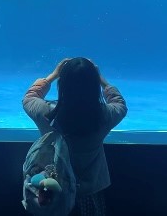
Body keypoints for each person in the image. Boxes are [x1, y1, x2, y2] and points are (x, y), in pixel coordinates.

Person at [22, 57, 128, 216]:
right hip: (89, 193)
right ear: (93, 86)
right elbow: (120, 104)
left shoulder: (47, 114)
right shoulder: (104, 116)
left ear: (62, 85)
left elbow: (29, 98)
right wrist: (101, 80)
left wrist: (53, 75)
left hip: (53, 192)